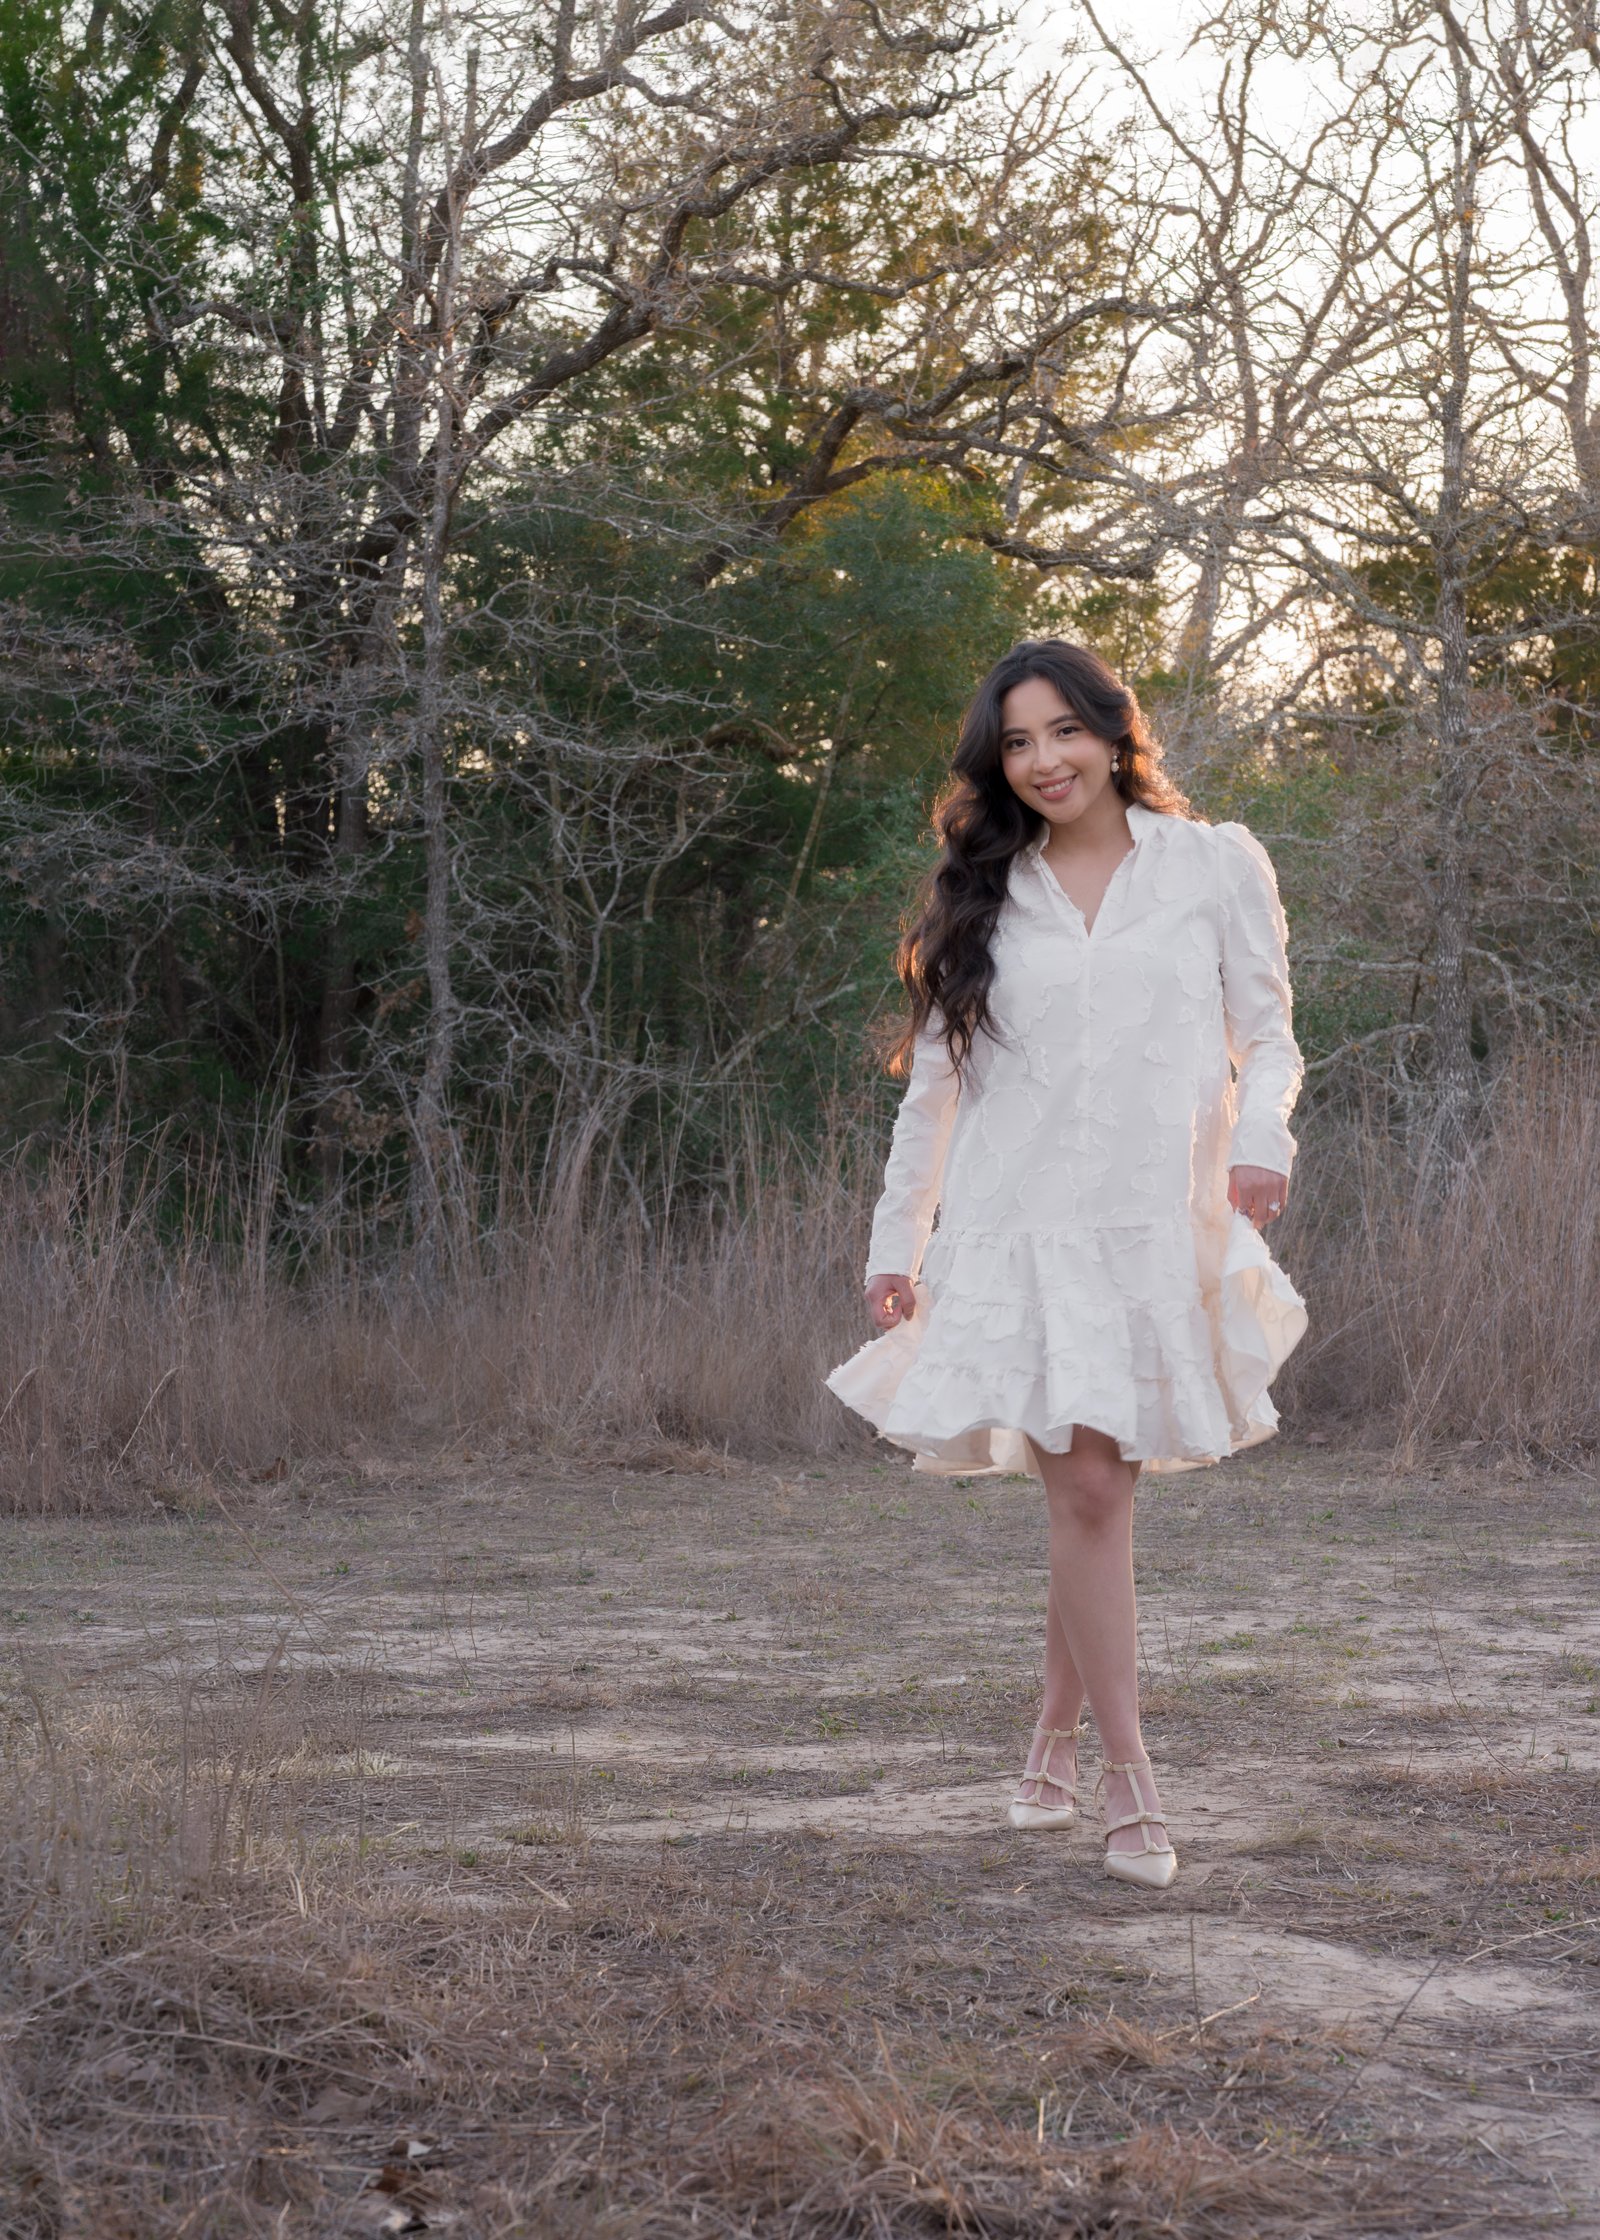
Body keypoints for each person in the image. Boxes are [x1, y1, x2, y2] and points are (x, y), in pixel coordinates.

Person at [827, 640, 1308, 1892]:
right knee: (1088, 1493)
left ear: (1111, 728)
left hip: (1155, 1225)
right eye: (1017, 745)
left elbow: (1267, 1033)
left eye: (1061, 733)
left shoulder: (1214, 864)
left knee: (1092, 1496)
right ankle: (1130, 1784)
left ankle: (1047, 1739)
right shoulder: (984, 898)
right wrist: (899, 1245)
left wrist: (1260, 1145)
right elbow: (931, 1093)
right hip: (1019, 1232)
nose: (1043, 762)